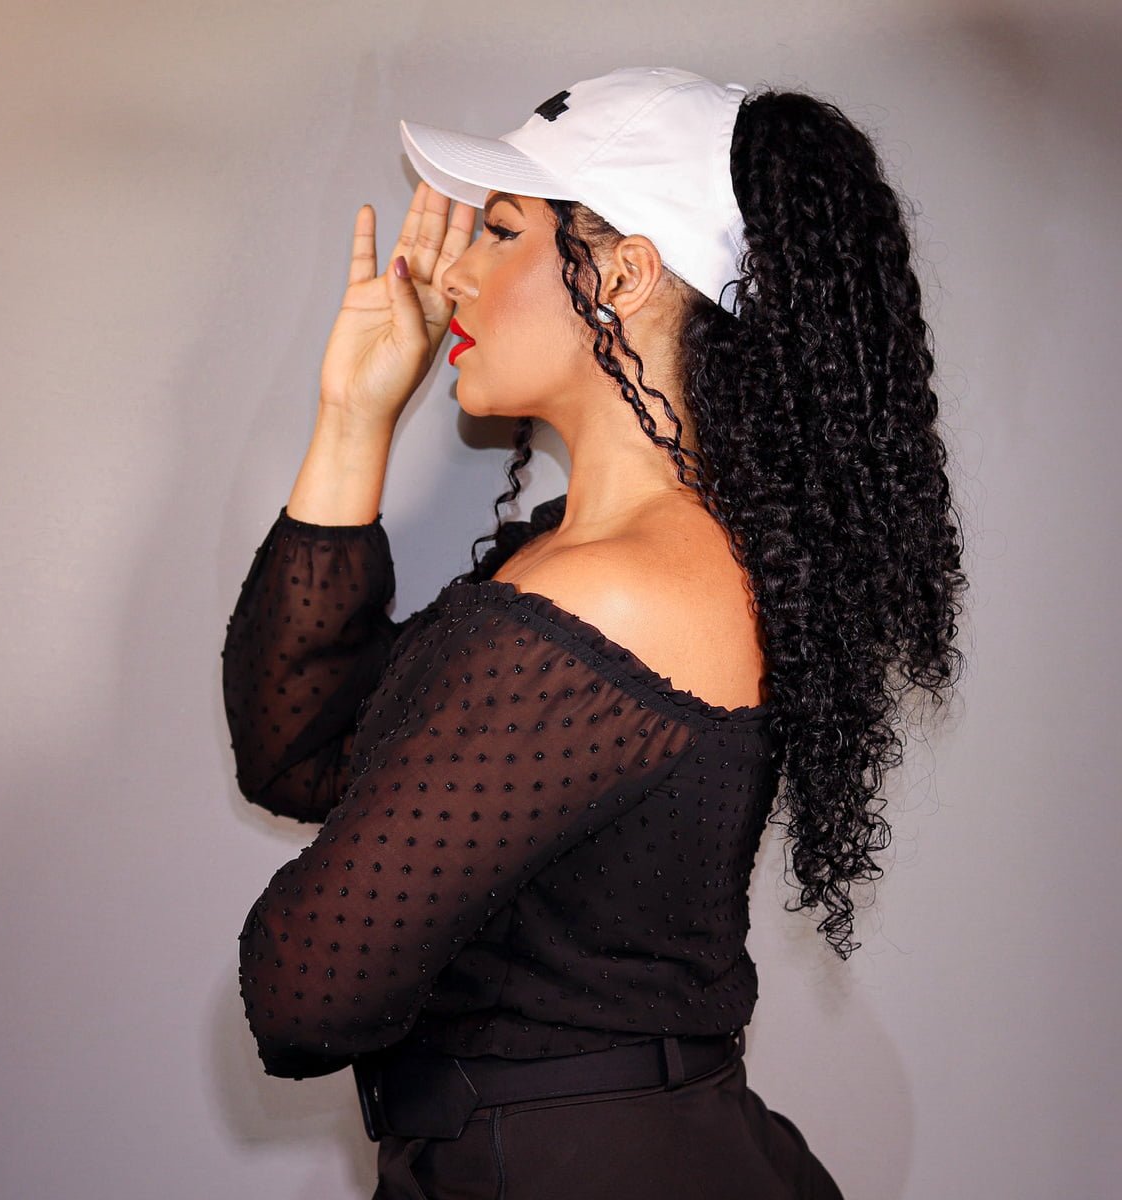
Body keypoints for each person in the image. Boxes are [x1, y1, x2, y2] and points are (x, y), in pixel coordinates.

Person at [222, 66, 967, 1200]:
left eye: (501, 231)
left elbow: (305, 990)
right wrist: (352, 418)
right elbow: (300, 751)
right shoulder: (586, 558)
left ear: (623, 273)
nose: (452, 273)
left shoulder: (620, 594)